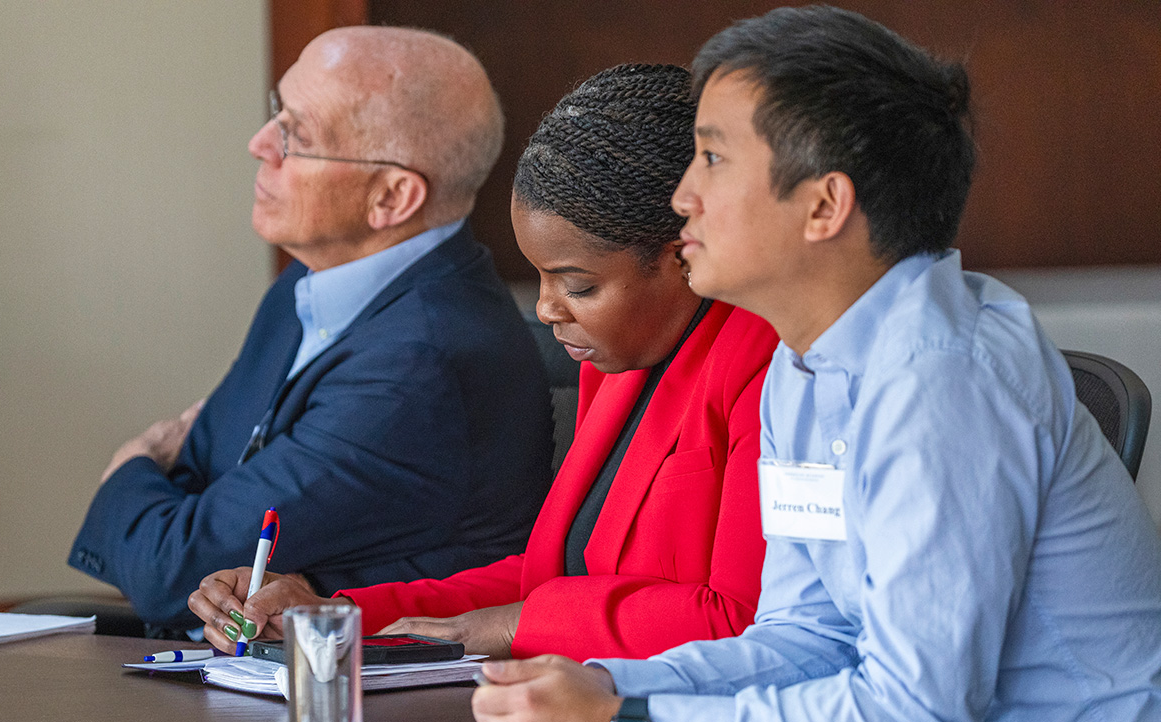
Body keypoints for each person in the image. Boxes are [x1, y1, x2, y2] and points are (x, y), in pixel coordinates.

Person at [468, 8, 1161, 722]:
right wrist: (609, 685)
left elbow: (910, 720)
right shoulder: (806, 366)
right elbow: (811, 636)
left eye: (712, 160)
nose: (683, 196)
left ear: (825, 207)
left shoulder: (941, 380)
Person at [188, 63, 781, 662]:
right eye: (542, 277)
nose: (547, 309)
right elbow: (548, 581)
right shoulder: (610, 362)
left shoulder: (768, 358)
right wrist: (336, 614)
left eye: (576, 286)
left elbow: (746, 618)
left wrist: (512, 629)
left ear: (683, 256)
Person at [68, 26, 554, 634]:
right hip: (238, 664)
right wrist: (175, 512)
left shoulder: (419, 362)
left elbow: (173, 566)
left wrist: (130, 464)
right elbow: (202, 472)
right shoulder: (309, 280)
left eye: (295, 135)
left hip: (369, 701)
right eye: (278, 113)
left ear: (391, 196)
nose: (258, 144)